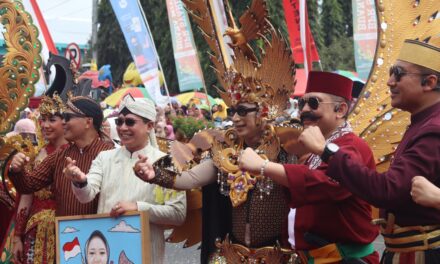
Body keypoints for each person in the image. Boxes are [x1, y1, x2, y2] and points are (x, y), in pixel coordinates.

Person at [133, 28, 298, 263]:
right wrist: (154, 175)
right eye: (232, 112)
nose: (236, 118)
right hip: (235, 254)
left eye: (242, 111)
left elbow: (305, 185)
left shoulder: (287, 151)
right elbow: (189, 179)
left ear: (263, 112)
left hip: (280, 254)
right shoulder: (226, 152)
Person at [296, 40, 440, 263]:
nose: (390, 81)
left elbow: (387, 190)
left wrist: (326, 152)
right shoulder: (422, 123)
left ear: (429, 82)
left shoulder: (433, 129)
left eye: (398, 74)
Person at [239, 71, 379, 263]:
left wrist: (264, 166)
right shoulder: (316, 148)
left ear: (340, 110)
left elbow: (326, 183)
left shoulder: (352, 146)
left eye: (313, 103)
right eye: (301, 103)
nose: (304, 110)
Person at [64, 95, 186, 264]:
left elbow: (178, 213)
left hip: (146, 252)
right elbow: (86, 195)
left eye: (130, 122)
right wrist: (80, 181)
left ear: (149, 126)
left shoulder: (165, 162)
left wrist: (138, 208)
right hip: (107, 251)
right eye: (119, 122)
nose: (122, 127)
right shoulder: (105, 157)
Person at [8, 96, 114, 216]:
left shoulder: (111, 155)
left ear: (88, 122)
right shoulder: (60, 155)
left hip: (98, 233)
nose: (63, 122)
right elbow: (28, 185)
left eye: (68, 117)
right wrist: (17, 170)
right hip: (65, 233)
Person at [10, 95, 68, 263]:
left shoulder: (75, 154)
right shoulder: (35, 156)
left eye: (52, 119)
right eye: (42, 120)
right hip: (34, 230)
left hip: (65, 228)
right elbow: (26, 196)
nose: (45, 125)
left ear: (66, 122)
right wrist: (17, 237)